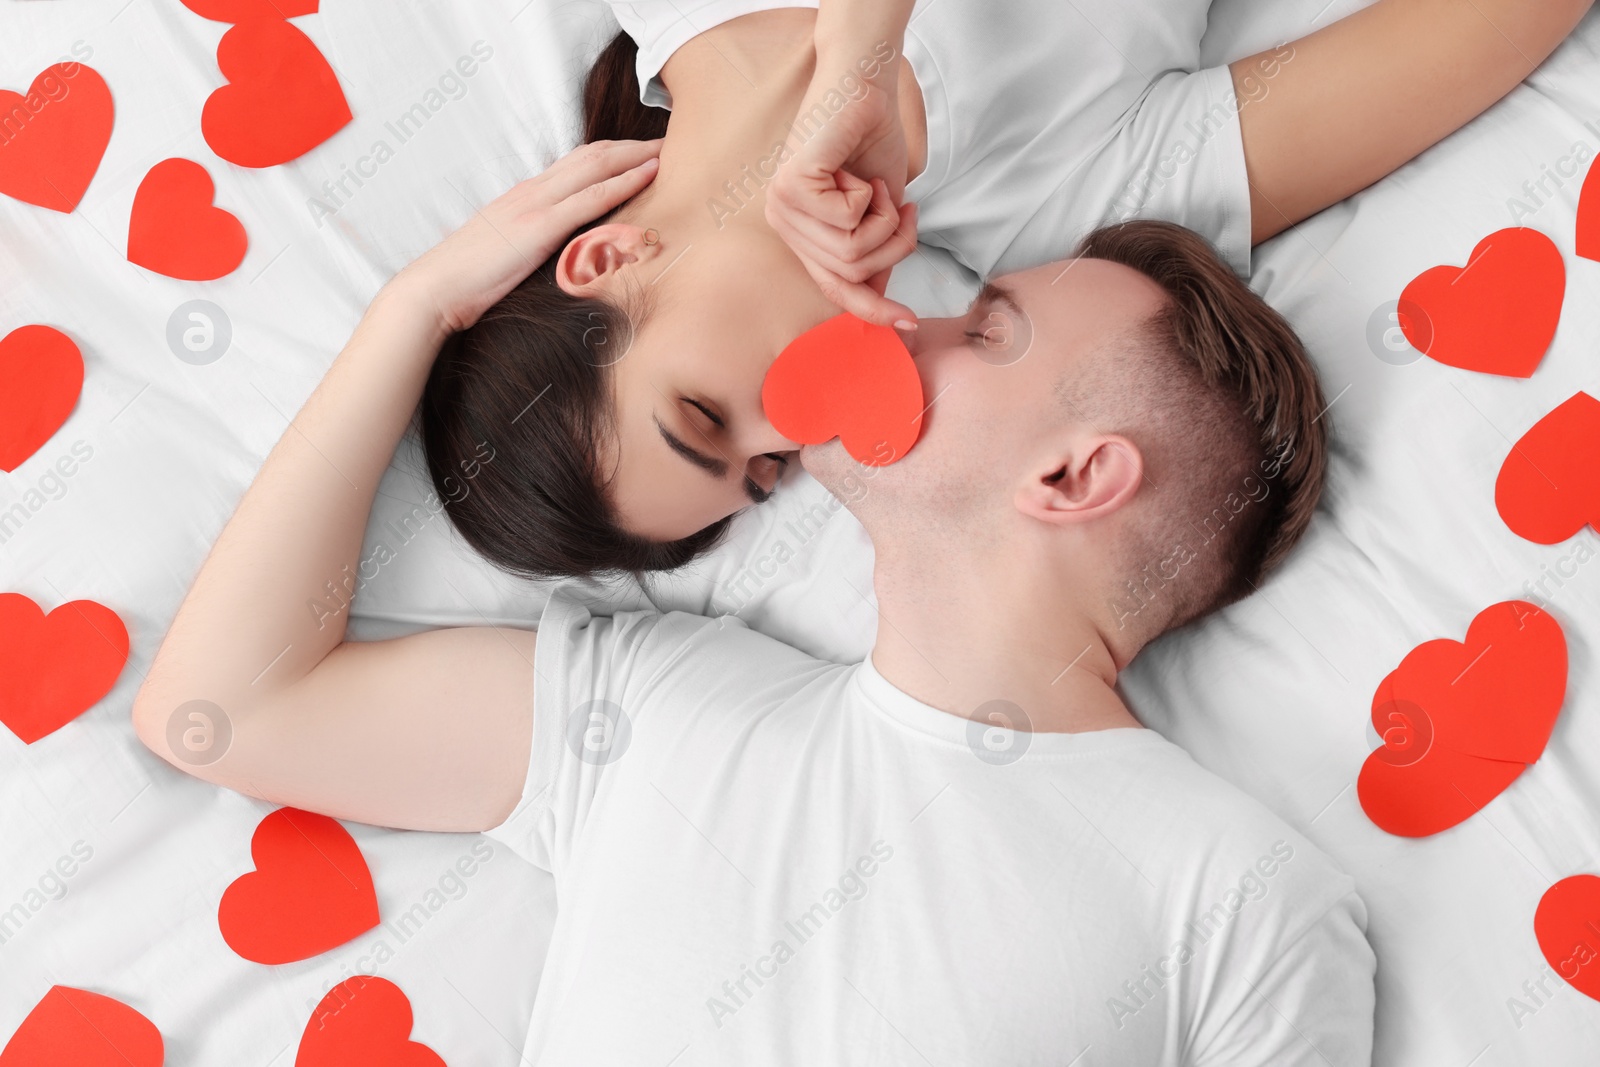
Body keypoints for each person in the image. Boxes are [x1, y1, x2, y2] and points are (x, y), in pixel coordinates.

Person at [133, 164, 1368, 1057]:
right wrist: (416, 310)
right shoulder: (659, 706)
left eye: (983, 329)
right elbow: (219, 709)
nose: (896, 316)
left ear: (1069, 477)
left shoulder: (1247, 897)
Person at [418, 0, 1594, 578]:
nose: (808, 436)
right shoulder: (1061, 221)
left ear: (606, 259)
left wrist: (861, 56)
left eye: (704, 417)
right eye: (765, 474)